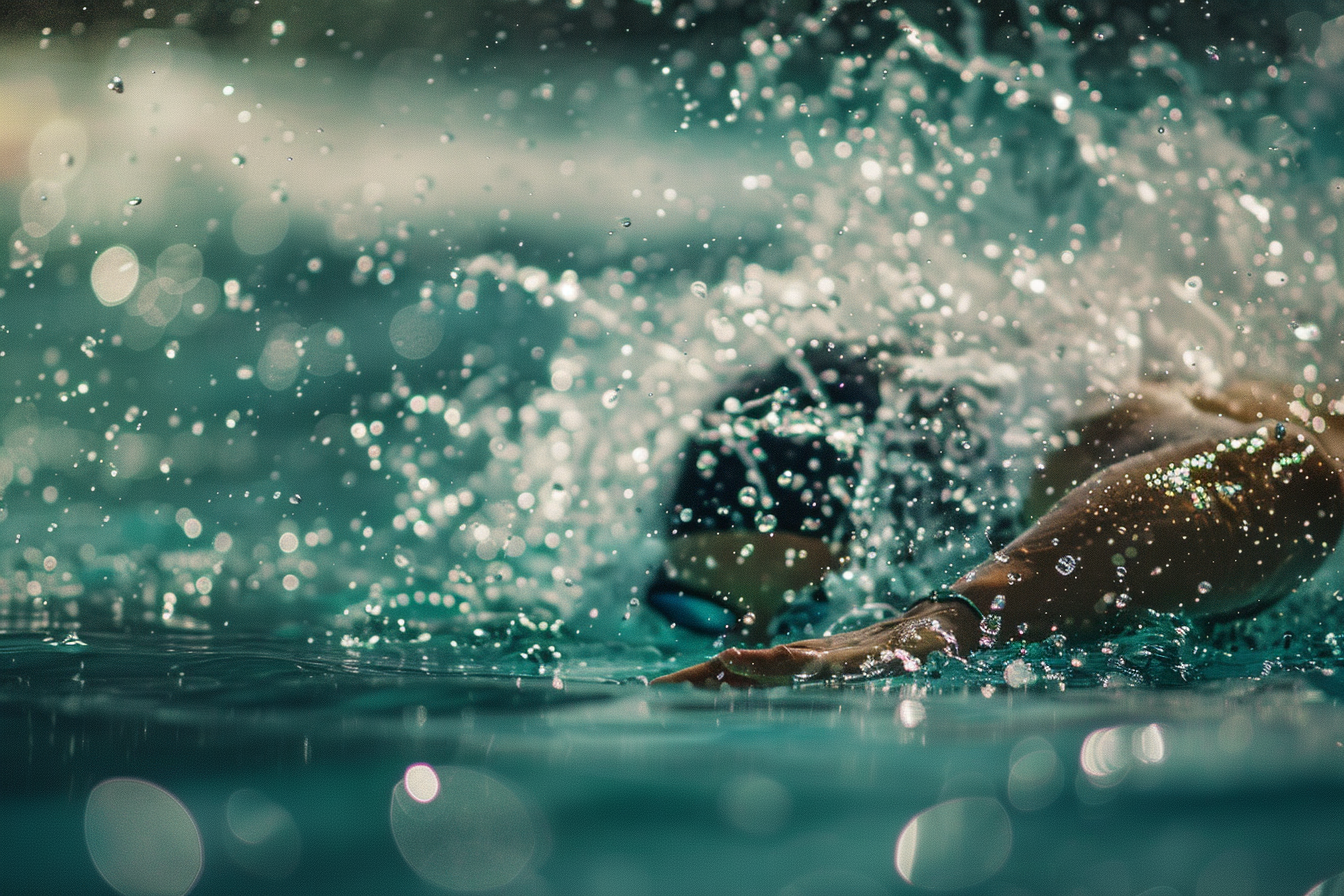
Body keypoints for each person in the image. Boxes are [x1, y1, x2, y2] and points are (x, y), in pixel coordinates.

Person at [648, 343, 1344, 687]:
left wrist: (962, 614)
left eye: (812, 615)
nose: (742, 647)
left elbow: (1291, 473)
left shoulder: (1063, 447)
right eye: (696, 609)